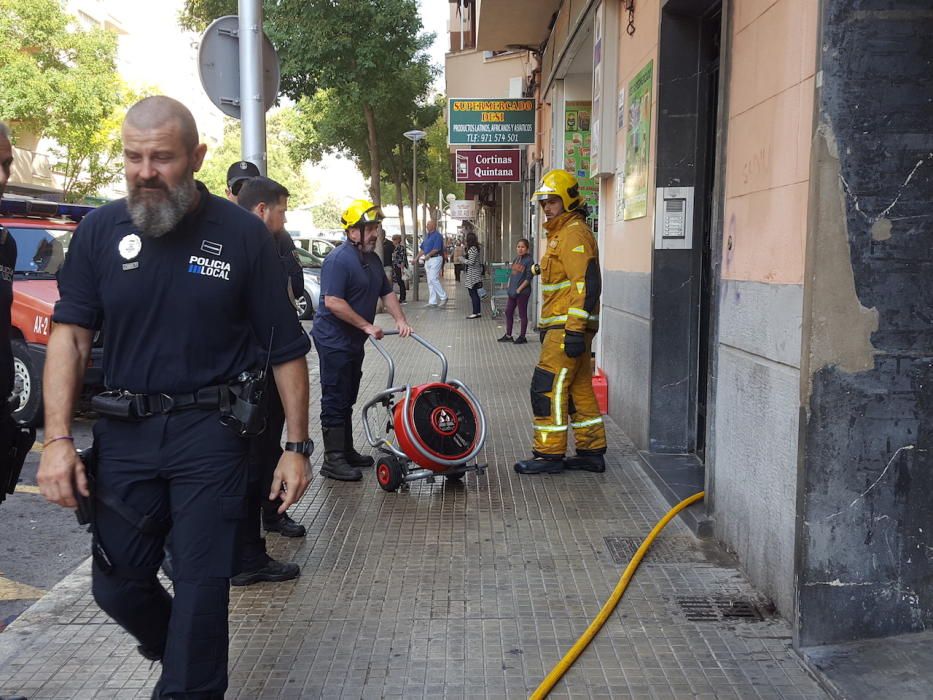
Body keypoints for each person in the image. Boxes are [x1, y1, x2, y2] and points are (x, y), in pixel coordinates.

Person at [36, 96, 313, 699]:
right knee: (117, 583)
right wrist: (57, 438)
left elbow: (285, 346)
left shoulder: (241, 234)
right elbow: (72, 336)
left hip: (211, 436)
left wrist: (296, 446)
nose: (144, 171)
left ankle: (189, 680)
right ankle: (183, 656)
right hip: (125, 435)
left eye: (160, 158)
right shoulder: (101, 232)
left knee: (201, 587)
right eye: (133, 157)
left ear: (196, 157)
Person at [231, 176, 307, 588]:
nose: (284, 216)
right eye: (281, 209)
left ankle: (265, 524)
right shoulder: (239, 244)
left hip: (264, 373)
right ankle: (245, 556)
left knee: (261, 459)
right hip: (247, 378)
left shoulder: (275, 243)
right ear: (262, 210)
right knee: (248, 465)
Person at [311, 199, 412, 481]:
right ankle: (333, 460)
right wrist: (367, 325)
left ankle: (346, 450)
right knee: (334, 395)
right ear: (352, 232)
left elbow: (386, 292)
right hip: (333, 340)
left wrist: (401, 320)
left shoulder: (372, 259)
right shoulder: (338, 260)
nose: (375, 233)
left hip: (354, 341)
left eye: (376, 227)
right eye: (369, 228)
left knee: (348, 393)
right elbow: (332, 301)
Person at [515, 169, 607, 476]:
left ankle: (548, 454)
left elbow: (586, 284)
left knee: (547, 387)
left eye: (552, 201)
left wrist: (574, 330)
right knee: (579, 388)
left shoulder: (573, 234)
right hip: (564, 327)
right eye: (544, 203)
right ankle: (591, 451)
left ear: (567, 199)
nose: (547, 208)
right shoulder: (562, 233)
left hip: (566, 328)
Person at [498, 238, 534, 344]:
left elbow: (528, 278)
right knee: (508, 312)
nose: (520, 249)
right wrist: (509, 286)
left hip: (522, 292)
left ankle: (522, 336)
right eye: (518, 247)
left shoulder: (529, 260)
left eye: (523, 247)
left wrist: (519, 289)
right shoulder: (516, 259)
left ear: (527, 249)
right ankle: (508, 335)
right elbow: (512, 274)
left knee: (522, 314)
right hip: (512, 291)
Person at [415, 219, 447, 307]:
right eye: (426, 225)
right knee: (430, 280)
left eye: (428, 225)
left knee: (433, 278)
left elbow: (436, 249)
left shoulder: (438, 236)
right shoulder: (427, 236)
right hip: (428, 260)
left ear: (433, 226)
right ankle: (432, 301)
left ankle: (443, 297)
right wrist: (416, 258)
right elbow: (422, 249)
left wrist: (428, 255)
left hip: (435, 258)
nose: (427, 226)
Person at [460, 231, 484, 320]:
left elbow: (471, 262)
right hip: (473, 273)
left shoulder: (473, 249)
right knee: (474, 293)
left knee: (473, 293)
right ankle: (477, 311)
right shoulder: (474, 248)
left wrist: (462, 260)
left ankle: (475, 312)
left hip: (473, 275)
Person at [391, 233, 409, 304]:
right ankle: (401, 297)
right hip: (395, 266)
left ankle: (402, 298)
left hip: (399, 266)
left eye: (394, 239)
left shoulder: (401, 248)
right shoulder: (394, 248)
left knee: (400, 282)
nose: (393, 241)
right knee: (398, 281)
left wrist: (402, 266)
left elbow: (403, 257)